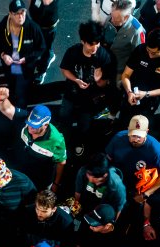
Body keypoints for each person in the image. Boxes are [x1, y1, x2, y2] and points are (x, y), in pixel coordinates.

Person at [58, 20, 115, 156]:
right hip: (71, 92)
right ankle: (61, 139)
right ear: (83, 41)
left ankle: (79, 141)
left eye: (97, 43)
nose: (94, 48)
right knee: (64, 116)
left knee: (84, 125)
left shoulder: (103, 56)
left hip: (90, 98)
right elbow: (64, 70)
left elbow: (106, 82)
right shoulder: (73, 52)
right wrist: (76, 80)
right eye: (91, 44)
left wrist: (99, 80)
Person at [0, 94, 67, 192]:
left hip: (39, 180)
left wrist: (56, 184)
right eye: (29, 123)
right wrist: (1, 98)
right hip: (19, 169)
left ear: (45, 125)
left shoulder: (57, 141)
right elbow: (8, 109)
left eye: (35, 126)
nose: (30, 127)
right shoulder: (26, 118)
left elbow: (61, 163)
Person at [0, 0, 46, 106]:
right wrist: (3, 55)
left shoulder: (33, 28)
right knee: (12, 84)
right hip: (9, 65)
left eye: (22, 12)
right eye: (16, 13)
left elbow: (42, 47)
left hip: (26, 68)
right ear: (10, 14)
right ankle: (14, 94)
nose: (20, 17)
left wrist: (27, 58)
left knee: (22, 92)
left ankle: (21, 108)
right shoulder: (3, 25)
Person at [104, 115, 160, 201]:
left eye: (139, 136)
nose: (135, 139)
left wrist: (146, 194)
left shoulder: (155, 150)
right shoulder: (118, 138)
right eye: (133, 135)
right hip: (114, 180)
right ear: (128, 129)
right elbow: (107, 158)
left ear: (147, 132)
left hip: (135, 188)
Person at [120, 28, 160, 117]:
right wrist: (129, 92)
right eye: (148, 51)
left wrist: (146, 94)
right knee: (123, 120)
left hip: (149, 102)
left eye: (154, 53)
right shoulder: (140, 49)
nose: (150, 55)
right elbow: (126, 74)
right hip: (130, 94)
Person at [101, 0, 145, 85]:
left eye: (116, 19)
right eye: (112, 16)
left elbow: (139, 56)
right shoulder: (110, 18)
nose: (112, 21)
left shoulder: (137, 31)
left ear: (126, 17)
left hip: (120, 70)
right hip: (106, 64)